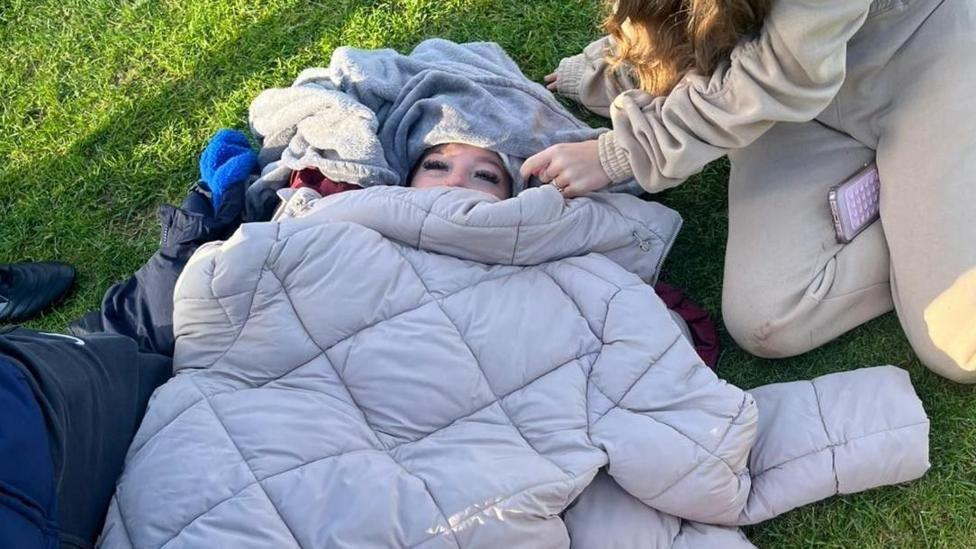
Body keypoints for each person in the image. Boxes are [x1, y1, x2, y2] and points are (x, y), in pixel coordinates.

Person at [526, 0, 976, 382]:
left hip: (926, 57)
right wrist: (621, 66)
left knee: (960, 346)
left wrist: (624, 152)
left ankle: (930, 196)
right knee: (769, 320)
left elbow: (781, 72)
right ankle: (912, 201)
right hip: (799, 103)